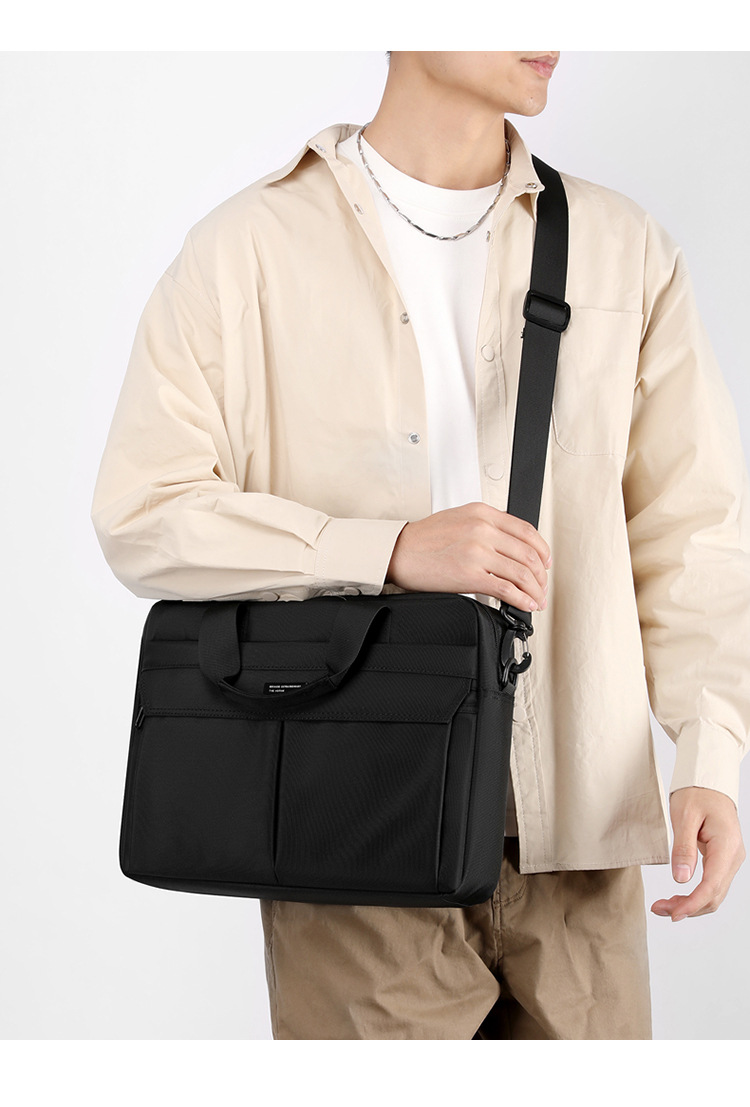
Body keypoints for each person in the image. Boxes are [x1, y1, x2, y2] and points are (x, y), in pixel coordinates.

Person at [91, 51, 749, 1039]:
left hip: (577, 830)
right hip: (351, 818)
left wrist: (711, 750)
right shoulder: (248, 249)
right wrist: (386, 549)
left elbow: (693, 529)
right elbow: (143, 510)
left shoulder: (623, 249)